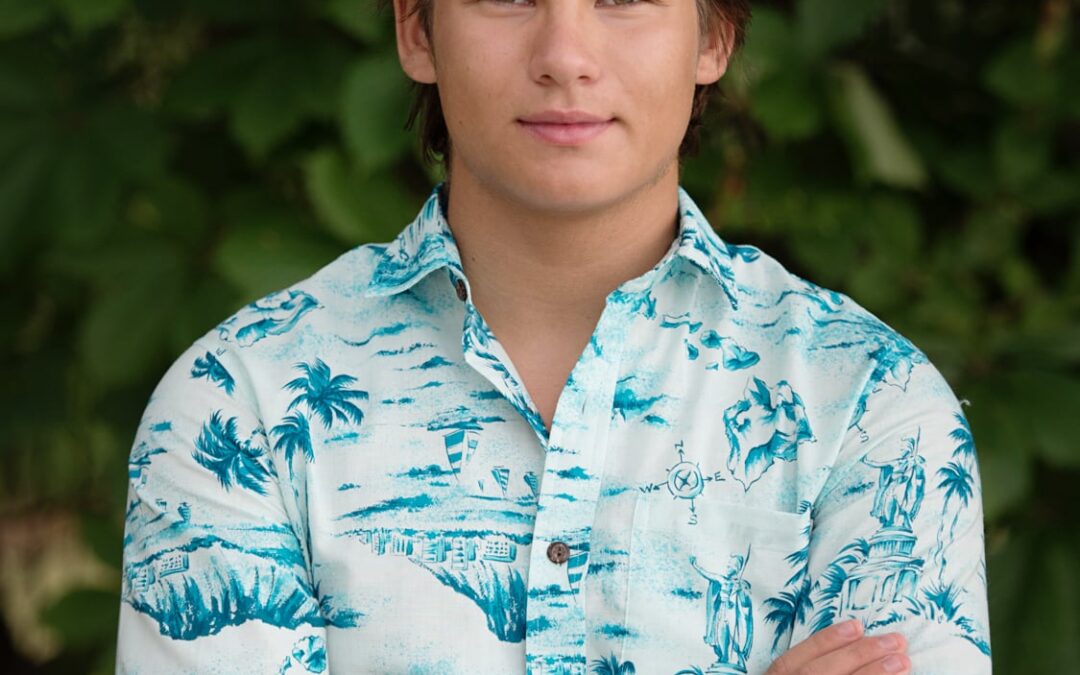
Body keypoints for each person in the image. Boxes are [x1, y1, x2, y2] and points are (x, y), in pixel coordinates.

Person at [115, 0, 992, 672]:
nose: (565, 57)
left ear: (714, 35)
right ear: (416, 30)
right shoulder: (239, 406)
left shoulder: (870, 405)